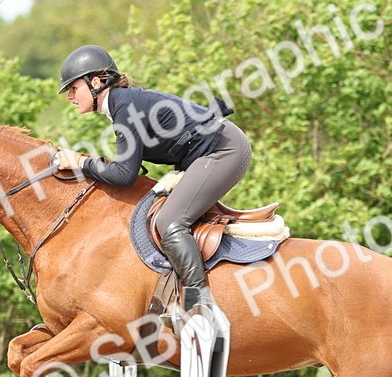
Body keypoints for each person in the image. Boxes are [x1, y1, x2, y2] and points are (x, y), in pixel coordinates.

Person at [53, 45, 252, 311]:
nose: (70, 96)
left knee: (170, 220)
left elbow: (125, 176)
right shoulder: (122, 104)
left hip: (224, 149)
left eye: (73, 88)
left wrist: (80, 163)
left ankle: (198, 305)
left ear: (97, 82)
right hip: (211, 151)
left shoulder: (125, 106)